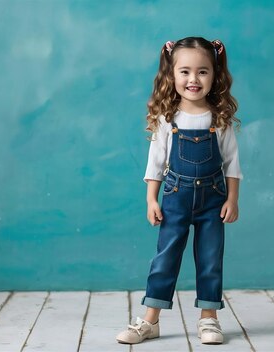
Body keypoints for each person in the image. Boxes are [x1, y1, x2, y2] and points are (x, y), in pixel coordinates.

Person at [116, 36, 242, 345]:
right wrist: (151, 200)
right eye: (184, 71)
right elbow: (155, 164)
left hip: (213, 200)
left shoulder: (219, 120)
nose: (193, 79)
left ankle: (209, 319)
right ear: (172, 75)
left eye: (202, 71)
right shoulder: (166, 119)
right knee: (166, 258)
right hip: (175, 197)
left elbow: (232, 164)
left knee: (211, 258)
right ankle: (150, 320)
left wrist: (233, 200)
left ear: (215, 76)